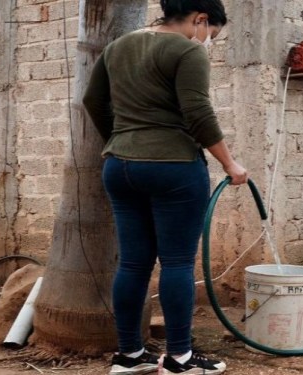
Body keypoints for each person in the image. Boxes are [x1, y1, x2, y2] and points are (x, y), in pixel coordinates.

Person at [83, 1, 247, 374]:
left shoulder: (118, 46)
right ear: (200, 19)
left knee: (133, 263)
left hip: (120, 166)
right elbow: (198, 113)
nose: (208, 41)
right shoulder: (187, 50)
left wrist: (123, 140)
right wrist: (230, 163)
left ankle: (129, 356)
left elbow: (93, 100)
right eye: (211, 33)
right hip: (173, 167)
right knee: (176, 262)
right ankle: (179, 359)